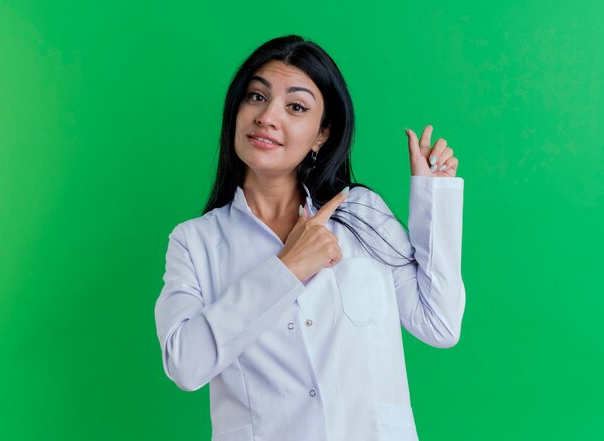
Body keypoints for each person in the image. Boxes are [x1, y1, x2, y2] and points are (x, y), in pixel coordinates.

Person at [154, 34, 465, 441]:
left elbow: (439, 324)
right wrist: (287, 268)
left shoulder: (362, 214)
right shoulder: (194, 243)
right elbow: (185, 365)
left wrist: (433, 199)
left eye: (295, 106)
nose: (268, 116)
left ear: (321, 135)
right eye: (256, 97)